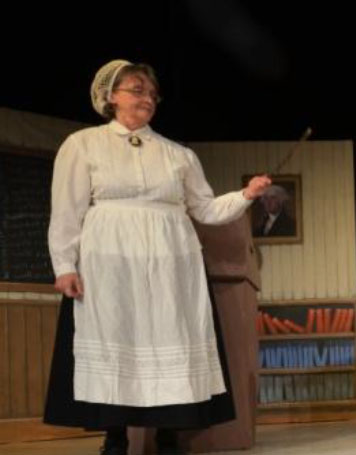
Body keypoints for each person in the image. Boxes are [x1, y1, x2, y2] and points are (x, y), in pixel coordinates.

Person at [44, 59, 272, 455]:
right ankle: (114, 436)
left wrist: (246, 195)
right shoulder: (82, 144)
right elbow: (66, 210)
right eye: (137, 90)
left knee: (171, 334)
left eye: (152, 93)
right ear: (111, 96)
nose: (147, 98)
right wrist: (64, 265)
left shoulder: (177, 154)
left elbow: (205, 209)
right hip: (110, 261)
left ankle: (169, 434)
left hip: (171, 261)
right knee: (117, 335)